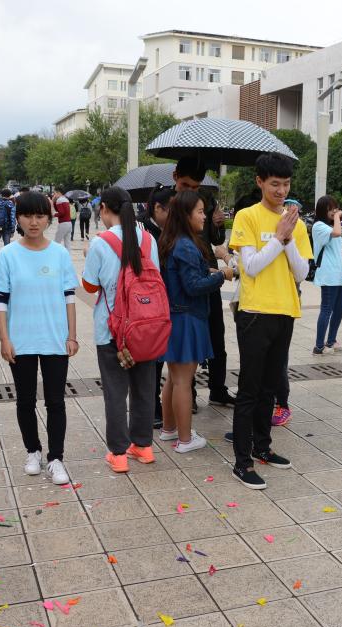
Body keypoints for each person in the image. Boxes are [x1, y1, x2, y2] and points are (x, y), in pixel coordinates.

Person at [227, 153, 311, 489]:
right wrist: (278, 238)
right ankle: (242, 461)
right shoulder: (247, 216)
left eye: (286, 184)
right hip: (254, 314)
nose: (281, 191)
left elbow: (301, 273)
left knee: (270, 387)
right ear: (260, 182)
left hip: (285, 312)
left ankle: (262, 447)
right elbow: (250, 267)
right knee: (249, 389)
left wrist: (287, 238)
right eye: (275, 184)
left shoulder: (296, 224)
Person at [0, 191, 77, 485]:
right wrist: (4, 339)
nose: (34, 222)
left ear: (49, 219)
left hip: (55, 339)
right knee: (25, 400)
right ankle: (33, 451)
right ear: (19, 218)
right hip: (20, 339)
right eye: (28, 215)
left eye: (40, 216)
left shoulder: (60, 254)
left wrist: (72, 335)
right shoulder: (7, 255)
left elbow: (69, 297)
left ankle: (56, 458)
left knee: (56, 402)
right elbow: (0, 300)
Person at [82, 186, 159, 474]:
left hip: (112, 330)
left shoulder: (100, 243)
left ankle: (118, 454)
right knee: (144, 388)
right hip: (146, 329)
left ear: (103, 208)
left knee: (115, 392)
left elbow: (90, 286)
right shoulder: (148, 239)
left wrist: (88, 254)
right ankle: (144, 446)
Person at [158, 191, 234, 452]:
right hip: (186, 318)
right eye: (200, 212)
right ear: (186, 214)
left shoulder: (172, 240)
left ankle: (169, 430)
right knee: (182, 380)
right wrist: (221, 275)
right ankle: (185, 440)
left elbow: (184, 277)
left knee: (173, 377)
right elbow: (193, 287)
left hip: (175, 316)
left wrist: (208, 271)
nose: (205, 217)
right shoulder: (186, 245)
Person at [142, 186, 175, 429]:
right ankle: (151, 408)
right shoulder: (143, 231)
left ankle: (157, 406)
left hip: (166, 303)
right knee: (151, 361)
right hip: (148, 305)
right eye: (172, 210)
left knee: (159, 359)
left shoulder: (169, 230)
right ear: (157, 208)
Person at [311, 195, 342, 355]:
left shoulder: (331, 226)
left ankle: (331, 341)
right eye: (331, 209)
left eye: (335, 208)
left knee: (339, 309)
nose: (334, 211)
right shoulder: (319, 226)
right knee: (327, 309)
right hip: (328, 275)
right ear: (322, 210)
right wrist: (338, 216)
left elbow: (340, 250)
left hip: (338, 275)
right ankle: (319, 346)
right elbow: (337, 233)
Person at [0, 189, 17, 264]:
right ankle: (6, 263)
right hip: (7, 228)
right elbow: (12, 218)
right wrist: (12, 230)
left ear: (1, 194)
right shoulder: (10, 204)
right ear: (9, 195)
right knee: (7, 247)